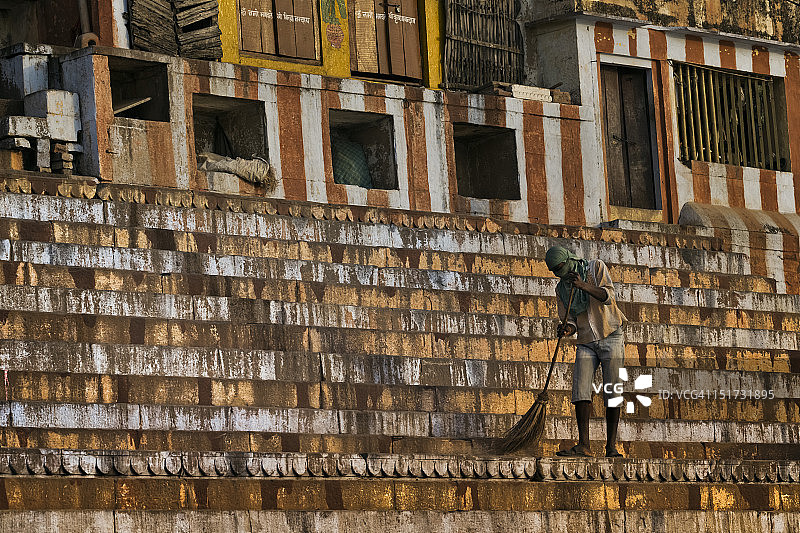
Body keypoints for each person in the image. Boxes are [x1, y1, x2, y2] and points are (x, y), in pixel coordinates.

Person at [544, 246, 627, 458]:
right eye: (555, 271)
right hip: (585, 341)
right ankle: (584, 445)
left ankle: (610, 447)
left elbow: (608, 296)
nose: (559, 273)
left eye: (561, 267)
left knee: (613, 391)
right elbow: (570, 319)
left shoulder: (595, 267)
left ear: (569, 259)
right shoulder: (561, 289)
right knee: (580, 391)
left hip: (611, 335)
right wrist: (566, 328)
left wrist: (581, 285)